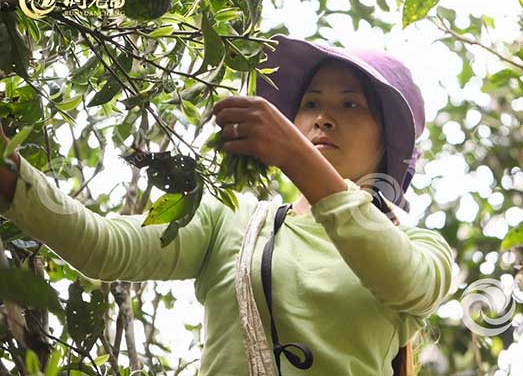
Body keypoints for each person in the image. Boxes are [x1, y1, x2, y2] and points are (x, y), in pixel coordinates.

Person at [0, 34, 454, 376]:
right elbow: (100, 245)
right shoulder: (234, 219)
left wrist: (296, 156)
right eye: (311, 103)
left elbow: (404, 279)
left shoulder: (420, 248)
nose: (322, 117)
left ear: (387, 146)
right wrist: (9, 171)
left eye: (351, 104)